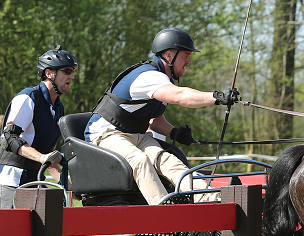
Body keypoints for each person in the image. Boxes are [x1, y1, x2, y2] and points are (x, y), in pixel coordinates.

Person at [84, 27, 239, 204]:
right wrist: (217, 97)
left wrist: (174, 133)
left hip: (137, 136)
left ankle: (211, 199)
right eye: (185, 55)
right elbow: (180, 96)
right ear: (169, 55)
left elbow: (155, 119)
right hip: (106, 134)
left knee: (166, 160)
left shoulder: (163, 79)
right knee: (140, 161)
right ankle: (163, 211)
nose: (189, 61)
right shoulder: (148, 77)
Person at [0, 46, 77, 208]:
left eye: (73, 71)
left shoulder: (58, 107)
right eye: (67, 71)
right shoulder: (29, 97)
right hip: (10, 179)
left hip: (35, 179)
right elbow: (8, 139)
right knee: (6, 232)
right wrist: (42, 158)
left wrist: (67, 184)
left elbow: (47, 157)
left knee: (46, 228)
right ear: (49, 73)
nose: (72, 76)